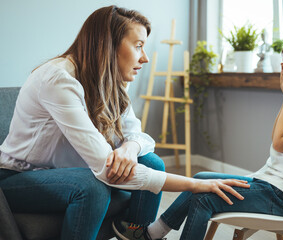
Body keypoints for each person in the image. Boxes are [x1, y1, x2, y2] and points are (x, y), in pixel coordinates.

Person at [0, 6, 250, 240]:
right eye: (138, 46)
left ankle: (136, 233)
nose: (145, 58)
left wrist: (129, 148)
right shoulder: (58, 80)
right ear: (107, 46)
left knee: (150, 160)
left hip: (68, 170)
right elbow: (104, 170)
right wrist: (194, 184)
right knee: (91, 187)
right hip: (18, 177)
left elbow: (139, 136)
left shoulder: (110, 80)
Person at [114, 28, 283, 240]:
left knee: (204, 196)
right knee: (201, 178)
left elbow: (279, 143)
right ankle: (154, 233)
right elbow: (278, 134)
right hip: (270, 184)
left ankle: (151, 235)